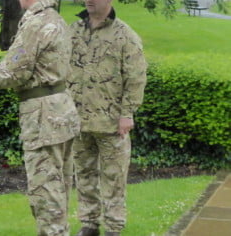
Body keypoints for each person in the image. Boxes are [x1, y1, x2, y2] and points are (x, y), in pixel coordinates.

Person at [0, 0, 80, 234]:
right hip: (60, 110)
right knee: (59, 188)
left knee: (46, 193)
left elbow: (14, 71)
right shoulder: (55, 19)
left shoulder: (36, 23)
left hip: (44, 117)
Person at [67, 0, 147, 235]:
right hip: (78, 121)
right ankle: (89, 224)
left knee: (114, 178)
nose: (89, 1)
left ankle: (113, 227)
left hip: (111, 123)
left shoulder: (125, 35)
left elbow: (136, 77)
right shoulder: (74, 31)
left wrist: (127, 113)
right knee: (83, 175)